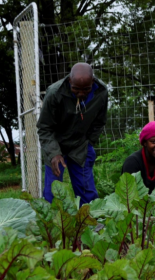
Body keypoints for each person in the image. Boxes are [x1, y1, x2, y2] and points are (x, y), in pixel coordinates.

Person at [37, 62, 108, 204]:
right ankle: (54, 223)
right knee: (53, 191)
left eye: (86, 89)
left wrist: (88, 142)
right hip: (56, 146)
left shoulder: (101, 92)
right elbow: (44, 127)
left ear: (92, 82)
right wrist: (53, 153)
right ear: (70, 81)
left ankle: (89, 221)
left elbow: (99, 122)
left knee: (86, 189)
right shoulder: (54, 93)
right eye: (76, 89)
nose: (81, 93)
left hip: (80, 145)